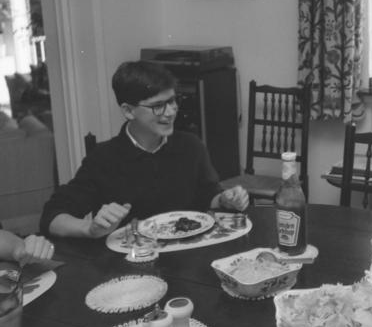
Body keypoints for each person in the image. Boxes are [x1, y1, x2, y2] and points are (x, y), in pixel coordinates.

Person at [39, 61, 249, 238]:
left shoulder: (191, 146)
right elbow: (52, 216)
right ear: (128, 111)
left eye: (173, 101)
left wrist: (225, 200)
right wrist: (89, 228)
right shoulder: (103, 158)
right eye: (158, 106)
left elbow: (207, 196)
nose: (170, 112)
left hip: (187, 260)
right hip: (129, 265)